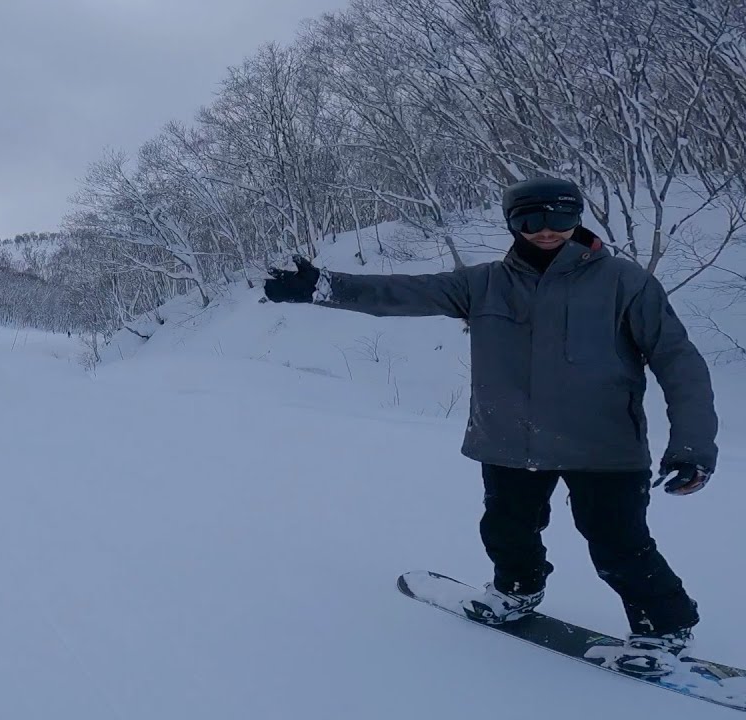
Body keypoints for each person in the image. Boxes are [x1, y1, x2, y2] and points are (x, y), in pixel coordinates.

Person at [262, 177, 717, 676]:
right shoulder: (483, 283)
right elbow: (403, 292)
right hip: (509, 438)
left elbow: (678, 360)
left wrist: (692, 443)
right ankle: (517, 589)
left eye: (560, 218)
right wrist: (326, 287)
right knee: (506, 528)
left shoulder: (625, 283)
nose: (546, 231)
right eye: (530, 220)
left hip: (603, 443)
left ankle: (664, 625)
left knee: (617, 541)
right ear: (512, 223)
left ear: (578, 219)